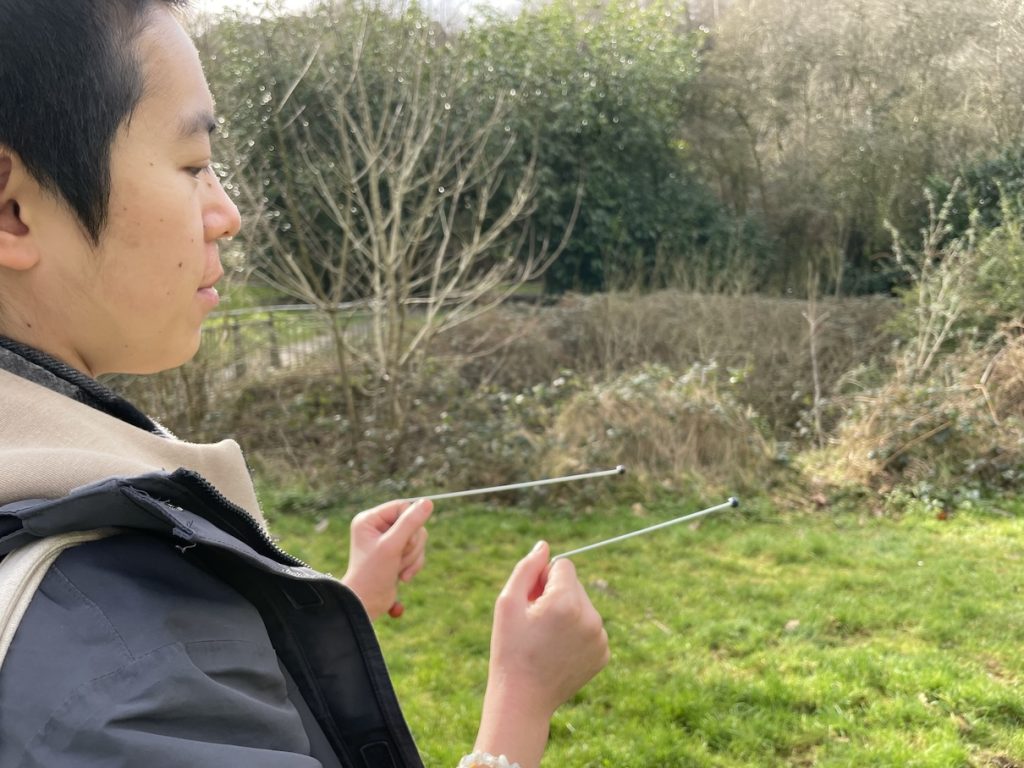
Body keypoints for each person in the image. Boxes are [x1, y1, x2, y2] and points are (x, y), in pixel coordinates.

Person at [0, 1, 610, 766]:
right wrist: (522, 700)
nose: (228, 214)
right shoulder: (118, 668)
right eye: (193, 166)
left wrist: (341, 597)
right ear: (13, 210)